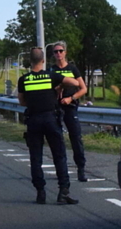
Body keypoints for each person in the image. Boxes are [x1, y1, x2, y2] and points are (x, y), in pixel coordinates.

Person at [17, 47, 81, 205]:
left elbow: (22, 101)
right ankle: (63, 191)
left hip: (33, 120)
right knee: (59, 155)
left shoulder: (23, 80)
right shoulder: (51, 75)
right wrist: (60, 87)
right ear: (43, 60)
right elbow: (74, 83)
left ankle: (40, 192)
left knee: (35, 158)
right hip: (51, 119)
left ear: (29, 61)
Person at [49, 41, 89, 182]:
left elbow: (83, 88)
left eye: (60, 51)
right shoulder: (51, 70)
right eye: (55, 51)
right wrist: (58, 88)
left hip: (70, 107)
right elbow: (48, 89)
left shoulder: (72, 69)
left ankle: (81, 169)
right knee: (57, 139)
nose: (58, 54)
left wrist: (71, 98)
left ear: (65, 52)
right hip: (56, 108)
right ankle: (61, 169)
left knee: (76, 137)